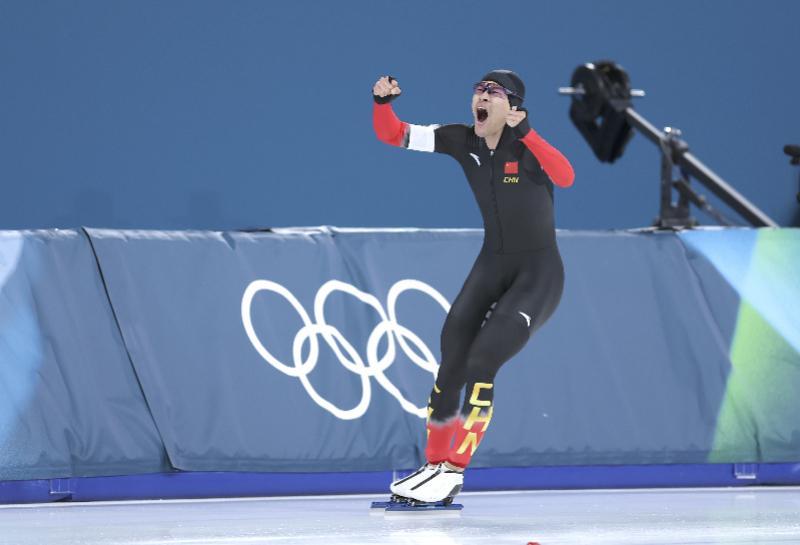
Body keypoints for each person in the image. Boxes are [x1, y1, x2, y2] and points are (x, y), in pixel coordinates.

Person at [372, 70, 574, 504]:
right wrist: (382, 104)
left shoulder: (527, 145)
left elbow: (565, 175)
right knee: (451, 361)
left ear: (513, 106)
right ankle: (433, 465)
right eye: (478, 90)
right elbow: (393, 135)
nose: (481, 97)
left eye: (492, 92)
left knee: (483, 361)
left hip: (538, 275)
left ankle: (454, 471)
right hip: (492, 264)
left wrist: (529, 133)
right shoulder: (462, 139)